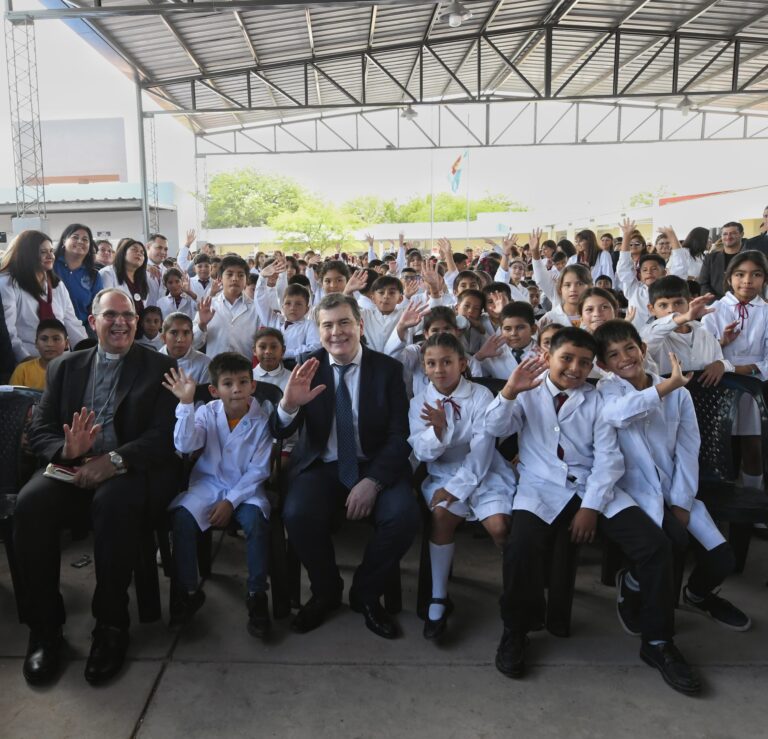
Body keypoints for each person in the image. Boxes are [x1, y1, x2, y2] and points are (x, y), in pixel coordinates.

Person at [485, 328, 701, 695]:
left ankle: (658, 641)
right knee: (521, 547)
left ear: (594, 368)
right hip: (540, 487)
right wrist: (508, 392)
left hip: (594, 487)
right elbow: (493, 428)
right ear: (547, 354)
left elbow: (609, 459)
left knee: (655, 546)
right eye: (566, 358)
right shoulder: (527, 389)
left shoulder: (597, 397)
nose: (575, 368)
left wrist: (590, 507)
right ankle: (516, 631)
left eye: (585, 363)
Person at [14, 287, 177, 686]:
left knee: (113, 505)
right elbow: (40, 431)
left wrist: (114, 460)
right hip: (71, 466)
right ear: (93, 321)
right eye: (110, 315)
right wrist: (65, 448)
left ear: (137, 323)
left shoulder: (158, 368)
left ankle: (111, 626)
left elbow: (165, 434)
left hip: (126, 469)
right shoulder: (65, 367)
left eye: (128, 316)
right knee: (30, 503)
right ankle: (45, 629)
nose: (120, 322)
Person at [271, 293, 419, 639]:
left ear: (360, 325)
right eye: (327, 325)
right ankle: (326, 590)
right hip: (322, 465)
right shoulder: (307, 365)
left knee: (403, 516)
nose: (336, 332)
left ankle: (366, 593)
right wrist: (289, 405)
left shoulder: (387, 370)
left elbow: (401, 435)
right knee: (297, 514)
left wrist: (375, 482)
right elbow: (278, 431)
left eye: (344, 323)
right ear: (318, 330)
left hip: (374, 463)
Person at [594, 321, 750, 632]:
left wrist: (681, 499)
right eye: (613, 355)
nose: (624, 357)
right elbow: (618, 414)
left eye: (629, 348)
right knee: (670, 543)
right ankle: (633, 585)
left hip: (675, 488)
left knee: (722, 559)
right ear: (602, 365)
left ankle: (697, 595)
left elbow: (689, 448)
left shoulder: (679, 395)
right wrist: (666, 387)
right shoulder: (605, 391)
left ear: (642, 348)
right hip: (633, 492)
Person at [409, 333, 516, 640]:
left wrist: (459, 488)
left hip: (483, 472)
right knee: (442, 517)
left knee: (499, 527)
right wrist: (438, 432)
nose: (439, 369)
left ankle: (514, 588)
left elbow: (482, 449)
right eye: (431, 363)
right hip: (443, 472)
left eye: (447, 361)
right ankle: (439, 596)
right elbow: (421, 451)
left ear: (463, 363)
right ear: (424, 367)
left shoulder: (481, 396)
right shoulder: (419, 402)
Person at [163, 354, 273, 637]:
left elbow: (258, 471)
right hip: (208, 485)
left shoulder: (261, 421)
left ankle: (257, 594)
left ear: (253, 386)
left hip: (245, 491)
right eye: (227, 383)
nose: (236, 389)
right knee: (183, 518)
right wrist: (186, 403)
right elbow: (185, 444)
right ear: (214, 390)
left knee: (256, 523)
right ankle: (187, 591)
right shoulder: (204, 412)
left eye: (242, 382)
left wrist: (230, 501)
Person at [701, 251, 768, 490]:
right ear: (729, 278)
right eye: (740, 274)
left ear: (764, 279)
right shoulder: (714, 311)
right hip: (718, 385)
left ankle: (753, 496)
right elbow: (703, 354)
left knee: (753, 445)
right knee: (719, 444)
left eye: (756, 274)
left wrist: (735, 367)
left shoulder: (766, 312)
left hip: (754, 386)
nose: (747, 281)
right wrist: (722, 344)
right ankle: (721, 496)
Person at [0, 229, 86, 361]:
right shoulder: (7, 284)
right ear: (27, 255)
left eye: (51, 251)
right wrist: (25, 359)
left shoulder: (57, 285)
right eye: (43, 252)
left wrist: (87, 352)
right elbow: (8, 332)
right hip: (27, 360)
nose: (50, 256)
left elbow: (72, 323)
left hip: (60, 360)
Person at [641, 276, 730, 379]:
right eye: (663, 305)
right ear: (651, 309)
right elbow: (654, 333)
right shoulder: (651, 334)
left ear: (689, 303)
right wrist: (684, 317)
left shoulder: (705, 335)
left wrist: (722, 364)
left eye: (678, 303)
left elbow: (723, 362)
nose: (671, 310)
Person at [193, 255, 261, 359]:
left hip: (245, 369)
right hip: (215, 369)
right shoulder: (208, 306)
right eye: (229, 274)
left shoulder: (256, 308)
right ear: (220, 279)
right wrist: (202, 324)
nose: (235, 279)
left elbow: (261, 343)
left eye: (240, 275)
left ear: (246, 280)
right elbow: (194, 343)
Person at [254, 258, 321, 359]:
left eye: (298, 304)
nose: (292, 307)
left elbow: (314, 347)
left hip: (297, 368)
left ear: (307, 309)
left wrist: (284, 354)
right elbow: (260, 302)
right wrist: (262, 277)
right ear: (282, 307)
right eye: (288, 304)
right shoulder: (275, 321)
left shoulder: (309, 325)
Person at [53, 224, 103, 330]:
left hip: (82, 329)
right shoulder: (51, 266)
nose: (80, 241)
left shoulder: (94, 275)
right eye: (75, 237)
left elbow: (97, 307)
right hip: (51, 329)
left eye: (85, 239)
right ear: (63, 241)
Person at [477, 301, 538, 380]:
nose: (513, 333)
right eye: (507, 329)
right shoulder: (493, 354)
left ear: (533, 329)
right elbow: (473, 375)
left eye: (520, 327)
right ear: (501, 331)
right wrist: (480, 356)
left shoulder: (544, 352)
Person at [9, 318, 69, 390]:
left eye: (56, 339)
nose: (49, 344)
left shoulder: (74, 371)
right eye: (44, 339)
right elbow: (12, 398)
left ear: (66, 344)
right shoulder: (23, 370)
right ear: (36, 343)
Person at [699, 222, 750, 300]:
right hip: (716, 305)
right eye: (725, 234)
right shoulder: (710, 258)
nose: (728, 237)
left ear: (741, 234)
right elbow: (703, 284)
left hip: (746, 304)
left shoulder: (751, 258)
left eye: (733, 233)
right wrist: (720, 303)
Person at [99, 239, 151, 313]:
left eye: (142, 253)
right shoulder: (107, 273)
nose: (139, 254)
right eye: (134, 250)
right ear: (123, 253)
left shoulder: (143, 278)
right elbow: (105, 305)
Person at [160, 312, 211, 383]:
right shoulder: (152, 361)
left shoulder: (205, 364)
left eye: (186, 333)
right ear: (163, 337)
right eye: (174, 333)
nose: (180, 339)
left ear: (192, 337)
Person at [252, 327, 291, 391]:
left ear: (283, 351)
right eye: (262, 347)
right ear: (254, 351)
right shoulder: (248, 378)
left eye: (273, 347)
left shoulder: (292, 379)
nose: (268, 351)